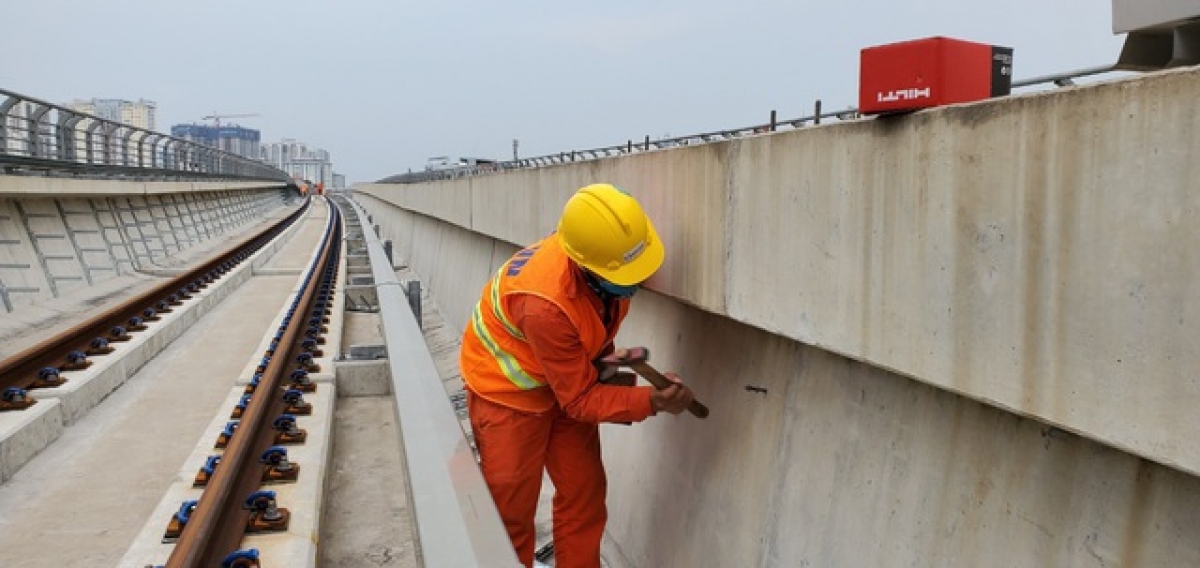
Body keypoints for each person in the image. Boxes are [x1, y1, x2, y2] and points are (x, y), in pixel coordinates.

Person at [459, 183, 696, 568]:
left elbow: (586, 351)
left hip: (564, 378)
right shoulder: (544, 304)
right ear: (588, 266)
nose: (638, 283)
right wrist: (651, 401)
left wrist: (610, 365)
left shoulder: (604, 267)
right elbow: (580, 400)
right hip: (507, 396)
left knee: (583, 495)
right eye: (629, 275)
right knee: (511, 515)